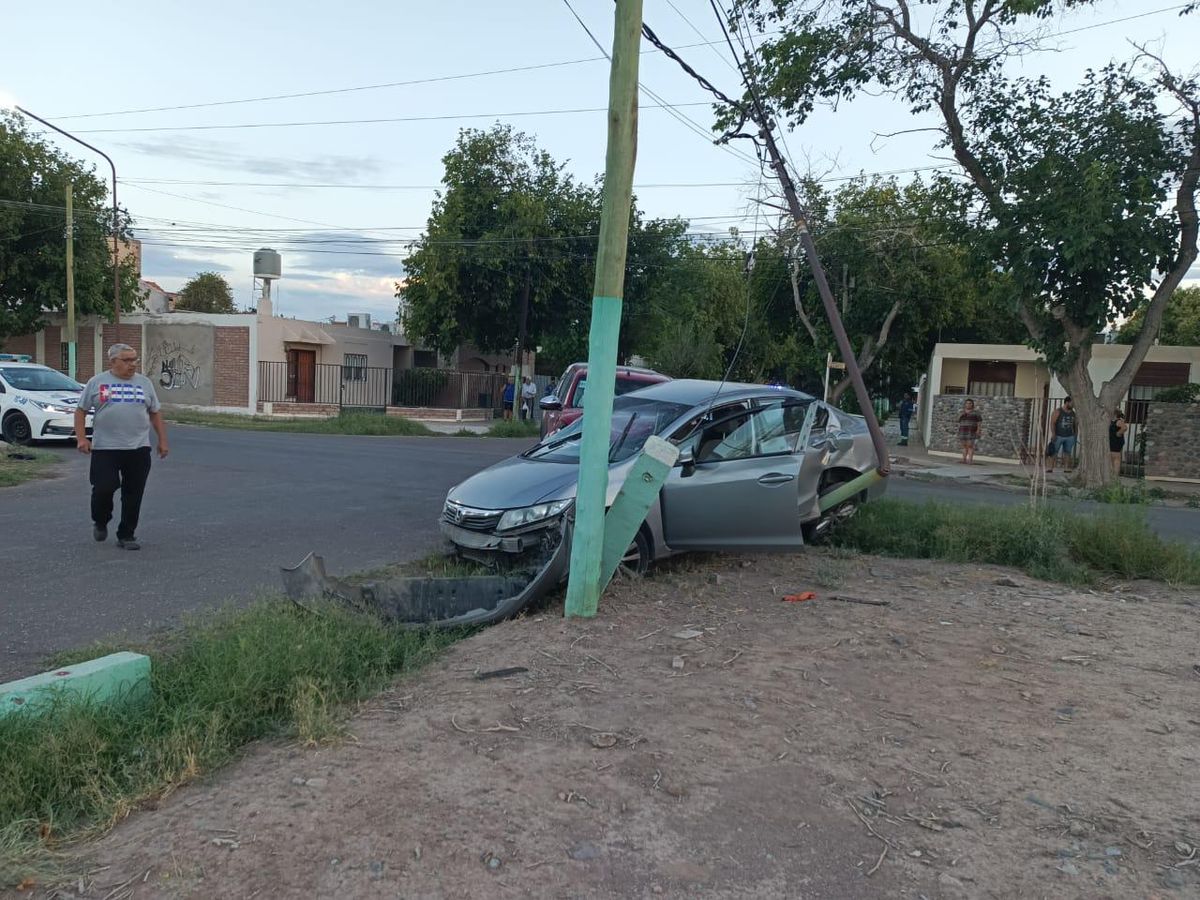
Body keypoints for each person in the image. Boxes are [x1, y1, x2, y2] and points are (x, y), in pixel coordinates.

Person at [73, 344, 170, 551]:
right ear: (113, 361)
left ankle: (126, 534)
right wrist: (82, 438)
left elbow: (155, 412)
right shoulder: (97, 382)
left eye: (134, 359)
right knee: (103, 488)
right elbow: (80, 411)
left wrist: (162, 440)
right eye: (127, 360)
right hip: (105, 448)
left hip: (138, 448)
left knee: (134, 493)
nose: (132, 364)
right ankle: (100, 519)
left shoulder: (144, 383)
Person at [1048, 395, 1078, 473]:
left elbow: (1075, 424)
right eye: (1072, 403)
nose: (1073, 405)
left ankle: (1066, 468)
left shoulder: (1073, 413)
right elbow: (1052, 423)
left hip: (1069, 436)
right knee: (1054, 452)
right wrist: (1053, 434)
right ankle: (1050, 468)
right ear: (1067, 402)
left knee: (1067, 452)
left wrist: (1075, 435)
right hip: (1058, 435)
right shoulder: (1058, 411)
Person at [957, 398, 982, 465]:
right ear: (965, 404)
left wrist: (978, 430)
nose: (968, 404)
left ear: (972, 404)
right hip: (962, 431)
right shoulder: (962, 412)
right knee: (964, 446)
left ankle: (970, 460)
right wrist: (962, 414)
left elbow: (979, 422)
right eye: (967, 403)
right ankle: (964, 460)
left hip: (971, 431)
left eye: (970, 403)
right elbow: (958, 420)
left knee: (970, 446)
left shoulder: (976, 413)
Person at [1109, 407, 1128, 477]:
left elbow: (1125, 427)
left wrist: (1119, 433)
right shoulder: (1111, 421)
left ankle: (1115, 476)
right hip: (1112, 441)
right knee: (1111, 458)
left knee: (1116, 459)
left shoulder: (1118, 421)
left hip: (1116, 442)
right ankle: (1112, 475)